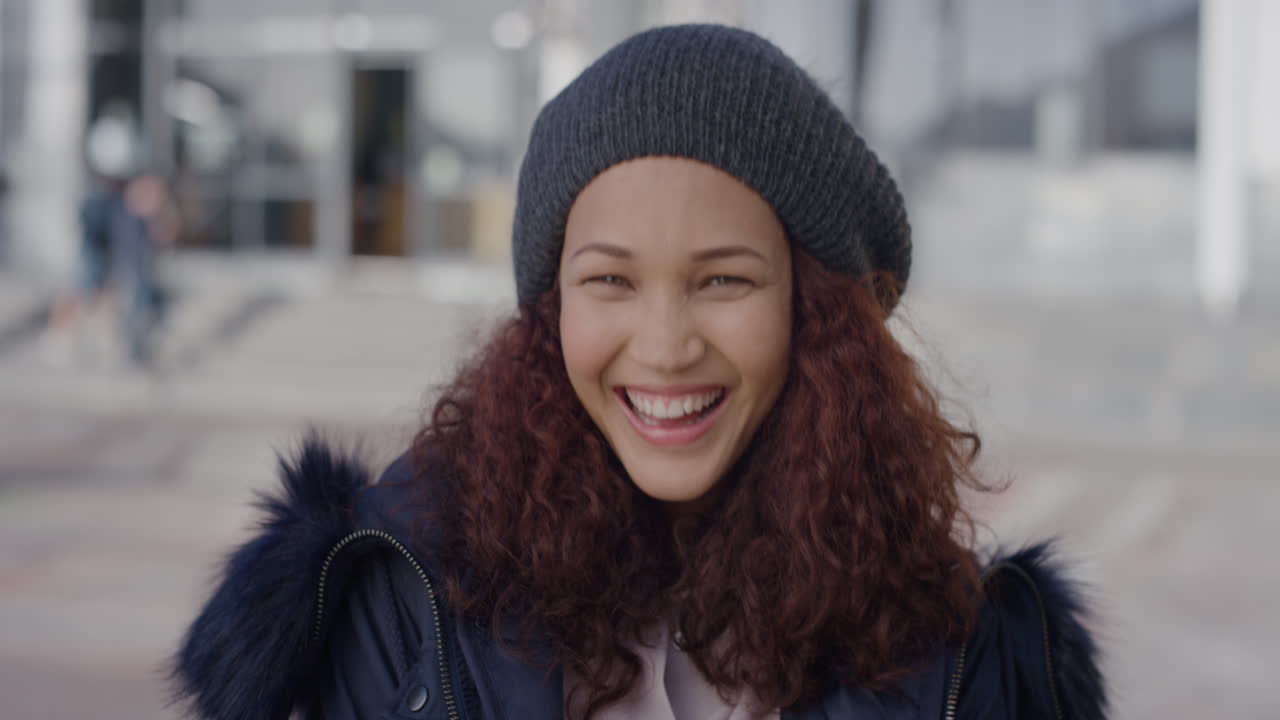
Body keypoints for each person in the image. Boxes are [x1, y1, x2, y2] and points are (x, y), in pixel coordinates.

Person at [173, 25, 1105, 720]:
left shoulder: (963, 649)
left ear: (814, 315)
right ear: (550, 315)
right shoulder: (398, 591)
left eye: (724, 281)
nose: (664, 346)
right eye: (610, 280)